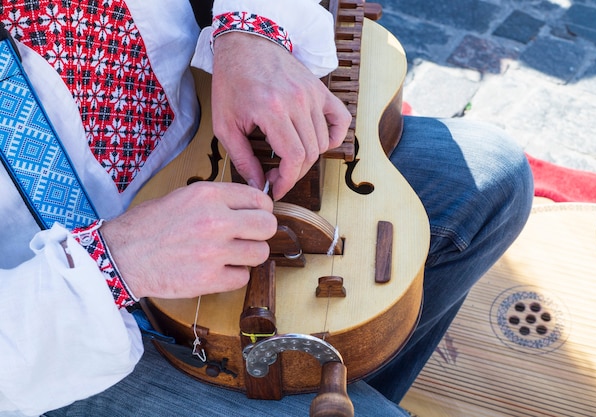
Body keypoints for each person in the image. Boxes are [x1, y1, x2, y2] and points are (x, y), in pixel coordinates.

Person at [0, 1, 534, 416]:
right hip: (56, 326)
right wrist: (120, 261)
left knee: (495, 176)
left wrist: (250, 30)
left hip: (207, 145)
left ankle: (332, 377)